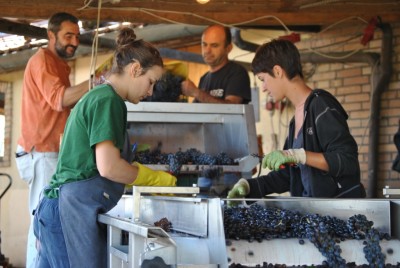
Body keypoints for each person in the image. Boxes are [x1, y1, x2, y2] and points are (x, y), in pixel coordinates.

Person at [33, 27, 177, 267]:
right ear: (134, 69)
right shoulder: (108, 100)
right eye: (150, 82)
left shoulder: (99, 96)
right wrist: (152, 178)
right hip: (66, 213)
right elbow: (109, 167)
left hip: (56, 208)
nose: (150, 92)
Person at [227, 39, 366, 203]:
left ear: (278, 71)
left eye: (263, 79)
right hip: (313, 215)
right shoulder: (295, 122)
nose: (263, 87)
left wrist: (298, 155)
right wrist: (250, 186)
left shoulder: (322, 105)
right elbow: (289, 176)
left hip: (340, 216)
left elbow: (347, 161)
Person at [14, 12, 89, 268]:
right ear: (50, 35)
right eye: (68, 36)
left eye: (77, 37)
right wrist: (96, 83)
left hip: (48, 153)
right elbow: (59, 99)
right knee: (43, 223)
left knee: (47, 222)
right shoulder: (42, 60)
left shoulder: (59, 65)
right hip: (42, 153)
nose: (74, 42)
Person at [181, 24, 251, 104]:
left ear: (228, 48)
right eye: (204, 44)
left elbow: (232, 108)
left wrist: (196, 92)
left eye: (214, 45)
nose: (207, 50)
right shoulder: (204, 78)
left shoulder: (237, 73)